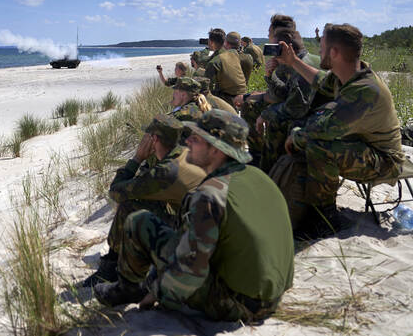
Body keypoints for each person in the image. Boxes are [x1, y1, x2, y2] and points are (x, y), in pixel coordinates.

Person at [94, 110, 294, 323]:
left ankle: (127, 290)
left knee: (139, 222)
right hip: (272, 298)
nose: (187, 141)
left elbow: (189, 274)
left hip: (237, 304)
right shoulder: (260, 176)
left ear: (216, 150)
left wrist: (157, 291)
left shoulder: (210, 194)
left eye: (196, 139)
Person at [277, 23, 404, 236]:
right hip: (362, 145)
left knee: (319, 147)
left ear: (334, 52)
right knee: (310, 136)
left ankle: (324, 219)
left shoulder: (364, 90)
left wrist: (296, 136)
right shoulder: (348, 75)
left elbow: (323, 130)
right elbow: (319, 80)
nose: (319, 51)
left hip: (385, 161)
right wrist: (293, 61)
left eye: (322, 47)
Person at [80, 115, 206, 287]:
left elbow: (116, 192)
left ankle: (109, 268)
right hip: (206, 227)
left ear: (154, 139)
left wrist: (137, 158)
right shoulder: (185, 154)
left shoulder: (166, 172)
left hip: (194, 243)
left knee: (129, 206)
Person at [255, 28, 326, 173]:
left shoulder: (303, 66)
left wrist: (265, 114)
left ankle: (268, 173)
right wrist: (270, 76)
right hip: (311, 113)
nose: (273, 55)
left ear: (287, 49)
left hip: (315, 118)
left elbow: (294, 108)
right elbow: (284, 94)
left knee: (276, 122)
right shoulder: (299, 62)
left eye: (276, 49)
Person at [203, 28, 247, 108]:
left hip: (231, 99)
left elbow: (206, 89)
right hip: (243, 96)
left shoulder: (215, 61)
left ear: (211, 42)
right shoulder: (234, 53)